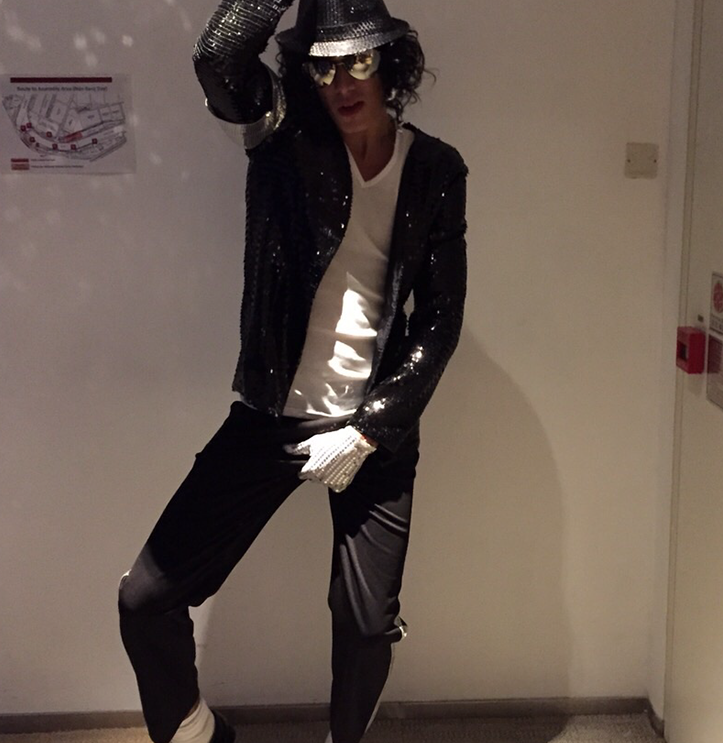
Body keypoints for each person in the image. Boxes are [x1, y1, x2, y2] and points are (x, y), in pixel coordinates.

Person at [117, 0, 468, 741]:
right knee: (146, 597)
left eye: (358, 61)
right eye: (322, 66)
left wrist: (370, 431)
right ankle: (199, 733)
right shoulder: (281, 138)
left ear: (390, 63)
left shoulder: (436, 170)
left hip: (372, 428)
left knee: (366, 623)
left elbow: (440, 319)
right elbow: (217, 60)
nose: (342, 83)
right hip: (271, 415)